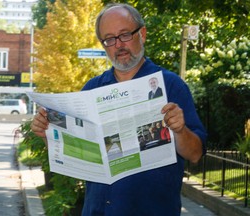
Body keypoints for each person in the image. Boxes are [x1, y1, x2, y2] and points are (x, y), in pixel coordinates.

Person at [30, 3, 207, 216]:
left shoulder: (170, 85)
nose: (118, 45)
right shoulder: (91, 89)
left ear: (142, 33)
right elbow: (74, 156)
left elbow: (195, 154)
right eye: (109, 39)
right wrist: (47, 133)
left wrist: (179, 130)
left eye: (124, 35)